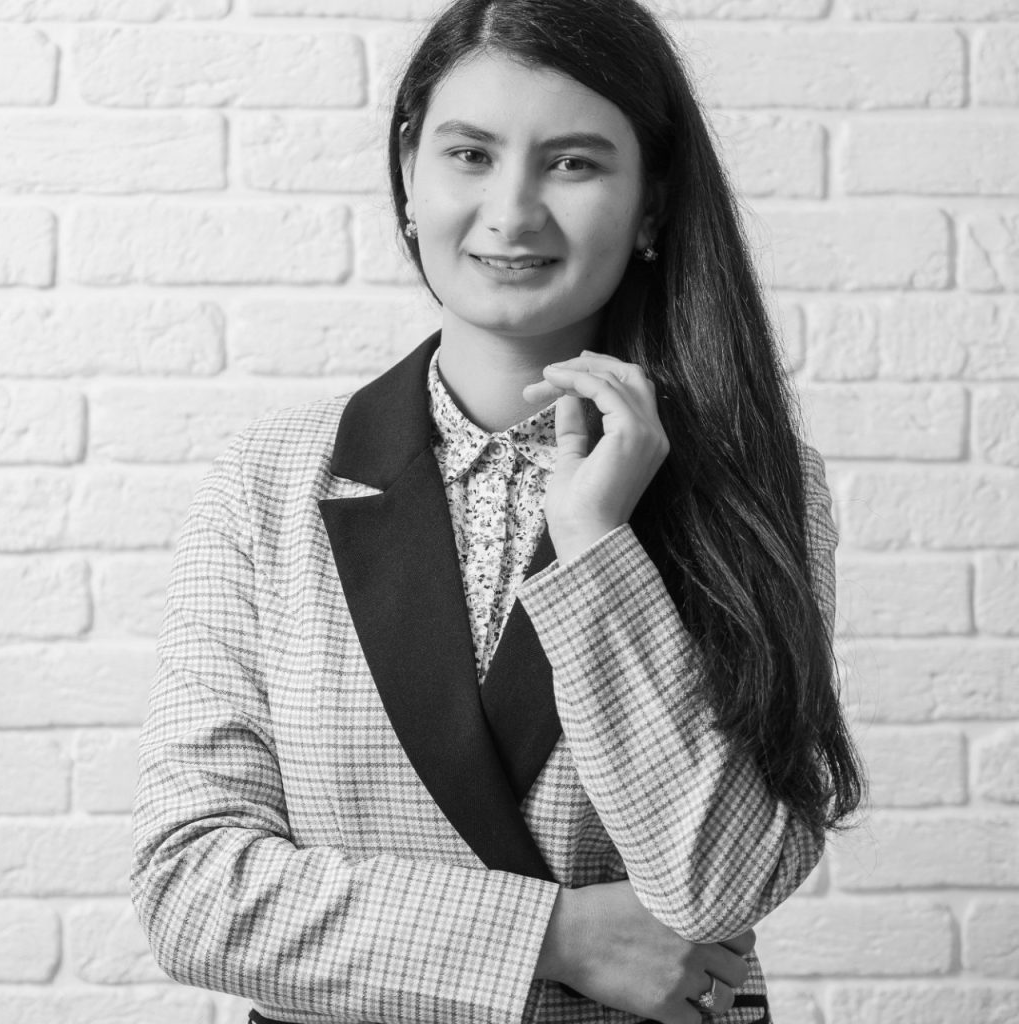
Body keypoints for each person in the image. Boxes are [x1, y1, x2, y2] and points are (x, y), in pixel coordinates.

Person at [130, 0, 864, 1022]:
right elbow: (192, 888)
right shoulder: (267, 482)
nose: (511, 212)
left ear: (652, 203)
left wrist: (599, 545)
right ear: (409, 176)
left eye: (572, 163)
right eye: (469, 153)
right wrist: (555, 937)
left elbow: (721, 884)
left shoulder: (755, 483)